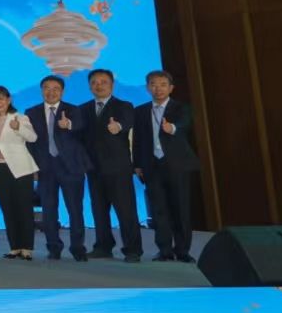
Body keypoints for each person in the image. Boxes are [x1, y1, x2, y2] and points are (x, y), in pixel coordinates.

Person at [135, 69, 199, 262]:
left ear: (171, 88)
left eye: (163, 85)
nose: (158, 89)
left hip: (177, 165)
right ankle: (164, 250)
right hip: (151, 166)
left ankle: (183, 250)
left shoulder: (181, 108)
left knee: (180, 208)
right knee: (158, 210)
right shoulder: (140, 111)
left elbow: (185, 124)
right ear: (148, 88)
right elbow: (138, 140)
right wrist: (137, 165)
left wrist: (171, 128)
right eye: (153, 85)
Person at [26, 75, 90, 261]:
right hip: (45, 168)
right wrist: (33, 167)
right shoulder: (31, 112)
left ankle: (78, 248)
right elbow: (30, 143)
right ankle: (53, 247)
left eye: (56, 89)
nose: (51, 92)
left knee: (75, 210)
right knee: (49, 211)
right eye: (47, 88)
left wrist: (68, 124)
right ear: (41, 90)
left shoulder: (74, 110)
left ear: (62, 91)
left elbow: (81, 128)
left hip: (71, 168)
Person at [83, 68, 141, 262]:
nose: (98, 86)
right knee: (99, 211)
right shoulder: (83, 109)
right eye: (94, 82)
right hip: (94, 169)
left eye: (103, 82)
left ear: (112, 85)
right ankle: (103, 247)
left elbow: (127, 122)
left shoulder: (124, 106)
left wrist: (118, 127)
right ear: (89, 86)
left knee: (126, 211)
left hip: (118, 169)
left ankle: (132, 250)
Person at [0, 85, 39, 258]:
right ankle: (15, 246)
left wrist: (18, 128)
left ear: (9, 100)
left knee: (24, 208)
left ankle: (27, 247)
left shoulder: (20, 117)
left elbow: (33, 137)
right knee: (7, 208)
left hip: (20, 169)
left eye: (1, 98)